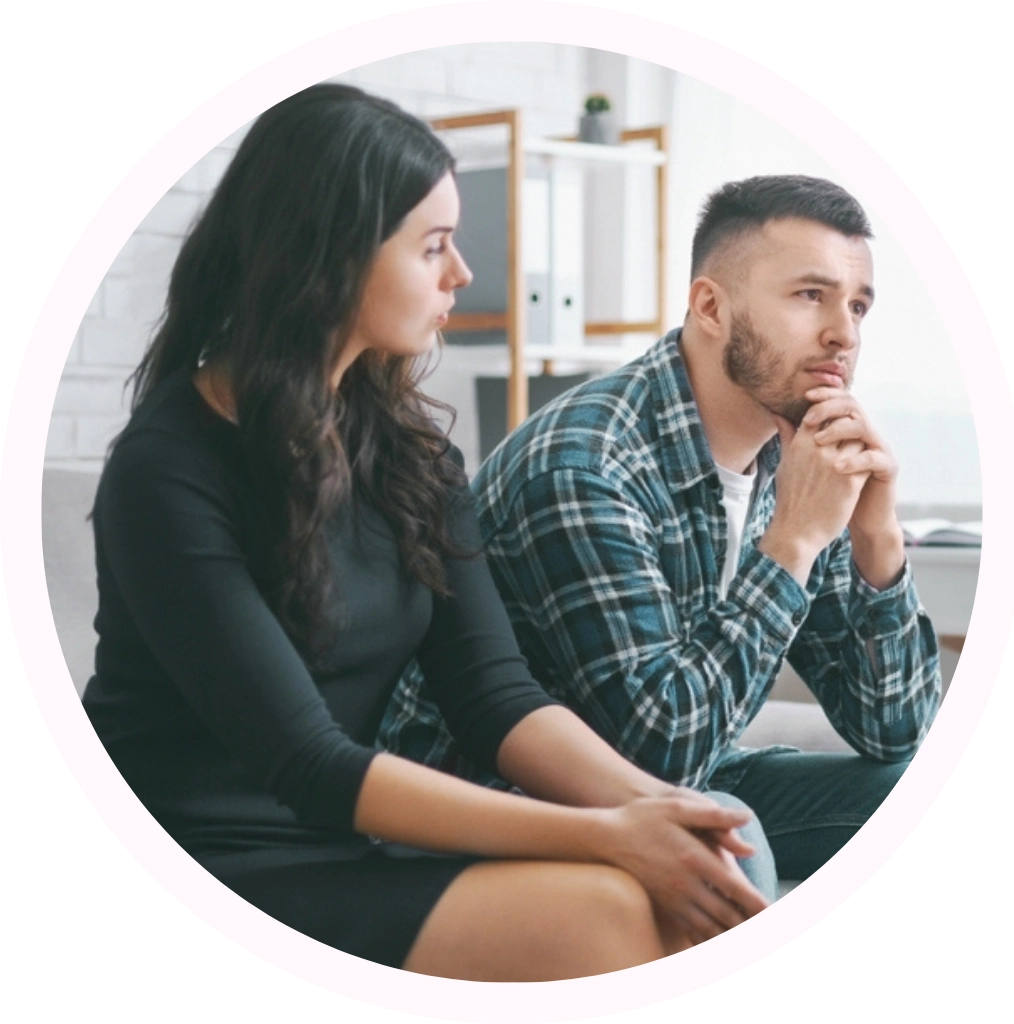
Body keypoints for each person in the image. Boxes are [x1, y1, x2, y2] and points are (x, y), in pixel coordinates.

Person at [80, 83, 773, 982]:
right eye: (434, 245)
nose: (462, 273)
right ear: (330, 254)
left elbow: (495, 696)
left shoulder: (412, 456)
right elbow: (309, 762)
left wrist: (665, 811)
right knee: (618, 910)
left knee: (705, 861)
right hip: (203, 854)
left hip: (346, 841)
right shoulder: (167, 468)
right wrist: (609, 835)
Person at [379, 174, 943, 883]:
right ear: (710, 306)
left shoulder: (794, 463)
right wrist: (793, 543)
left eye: (858, 305)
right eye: (811, 295)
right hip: (501, 806)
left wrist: (877, 540)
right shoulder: (586, 464)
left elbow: (892, 730)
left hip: (684, 774)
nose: (845, 333)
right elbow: (659, 755)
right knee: (729, 843)